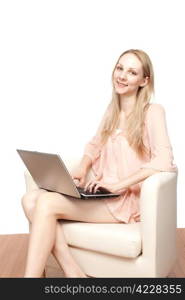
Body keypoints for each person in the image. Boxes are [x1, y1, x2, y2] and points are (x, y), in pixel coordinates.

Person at [21, 49, 177, 278]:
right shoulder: (112, 111)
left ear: (144, 81)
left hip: (125, 200)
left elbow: (164, 160)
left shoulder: (152, 111)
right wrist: (83, 168)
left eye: (132, 72)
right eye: (120, 68)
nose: (122, 76)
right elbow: (95, 145)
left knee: (44, 203)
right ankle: (73, 270)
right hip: (102, 192)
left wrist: (120, 185)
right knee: (29, 199)